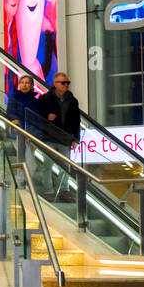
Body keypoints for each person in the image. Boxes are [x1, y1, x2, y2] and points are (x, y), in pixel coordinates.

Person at [38, 72, 81, 200]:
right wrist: (47, 117)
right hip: (49, 137)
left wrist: (75, 138)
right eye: (63, 83)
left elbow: (76, 120)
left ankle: (64, 190)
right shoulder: (45, 99)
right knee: (47, 166)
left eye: (67, 83)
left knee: (65, 167)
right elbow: (37, 116)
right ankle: (48, 191)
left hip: (65, 138)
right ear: (55, 84)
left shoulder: (72, 101)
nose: (65, 85)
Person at [6, 74, 48, 194]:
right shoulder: (14, 97)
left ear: (32, 85)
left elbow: (38, 121)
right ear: (19, 85)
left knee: (28, 164)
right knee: (26, 162)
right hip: (18, 135)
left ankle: (23, 185)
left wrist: (37, 139)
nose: (24, 85)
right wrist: (14, 119)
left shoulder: (35, 101)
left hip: (30, 136)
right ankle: (23, 185)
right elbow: (10, 112)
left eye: (27, 83)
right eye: (22, 82)